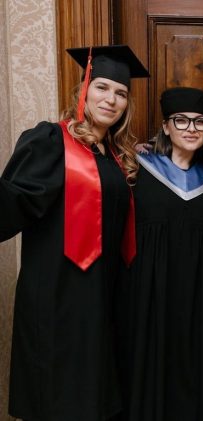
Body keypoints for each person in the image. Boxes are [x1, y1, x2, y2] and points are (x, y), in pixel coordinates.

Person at [0, 45, 149, 421]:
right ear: (83, 89)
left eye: (121, 93)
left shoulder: (116, 155)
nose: (111, 100)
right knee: (59, 396)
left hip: (101, 295)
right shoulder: (50, 141)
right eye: (102, 87)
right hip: (58, 293)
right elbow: (14, 202)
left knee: (93, 396)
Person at [115, 87, 203, 421]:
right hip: (149, 291)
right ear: (165, 126)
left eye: (200, 121)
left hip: (198, 295)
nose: (191, 128)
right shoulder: (137, 170)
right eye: (181, 120)